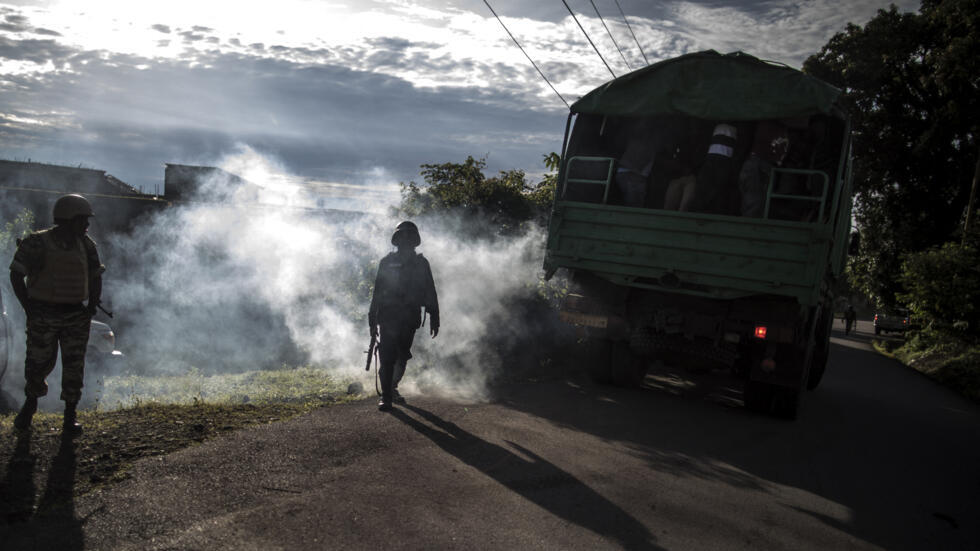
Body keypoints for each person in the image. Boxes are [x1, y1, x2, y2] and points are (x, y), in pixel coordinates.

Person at [10, 194, 105, 433]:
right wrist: (28, 307)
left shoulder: (86, 245)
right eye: (82, 220)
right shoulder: (37, 243)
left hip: (75, 314)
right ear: (68, 219)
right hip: (44, 313)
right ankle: (30, 407)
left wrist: (91, 306)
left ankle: (70, 415)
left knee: (74, 366)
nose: (86, 225)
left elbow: (95, 276)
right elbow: (16, 274)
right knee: (37, 364)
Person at [368, 221, 439, 411]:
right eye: (402, 237)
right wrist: (372, 318)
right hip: (388, 316)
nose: (406, 241)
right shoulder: (386, 262)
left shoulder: (422, 264)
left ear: (414, 241)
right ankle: (387, 396)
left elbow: (430, 291)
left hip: (410, 317)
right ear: (397, 239)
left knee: (402, 355)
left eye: (410, 237)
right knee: (387, 355)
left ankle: (392, 386)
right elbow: (377, 291)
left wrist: (435, 317)